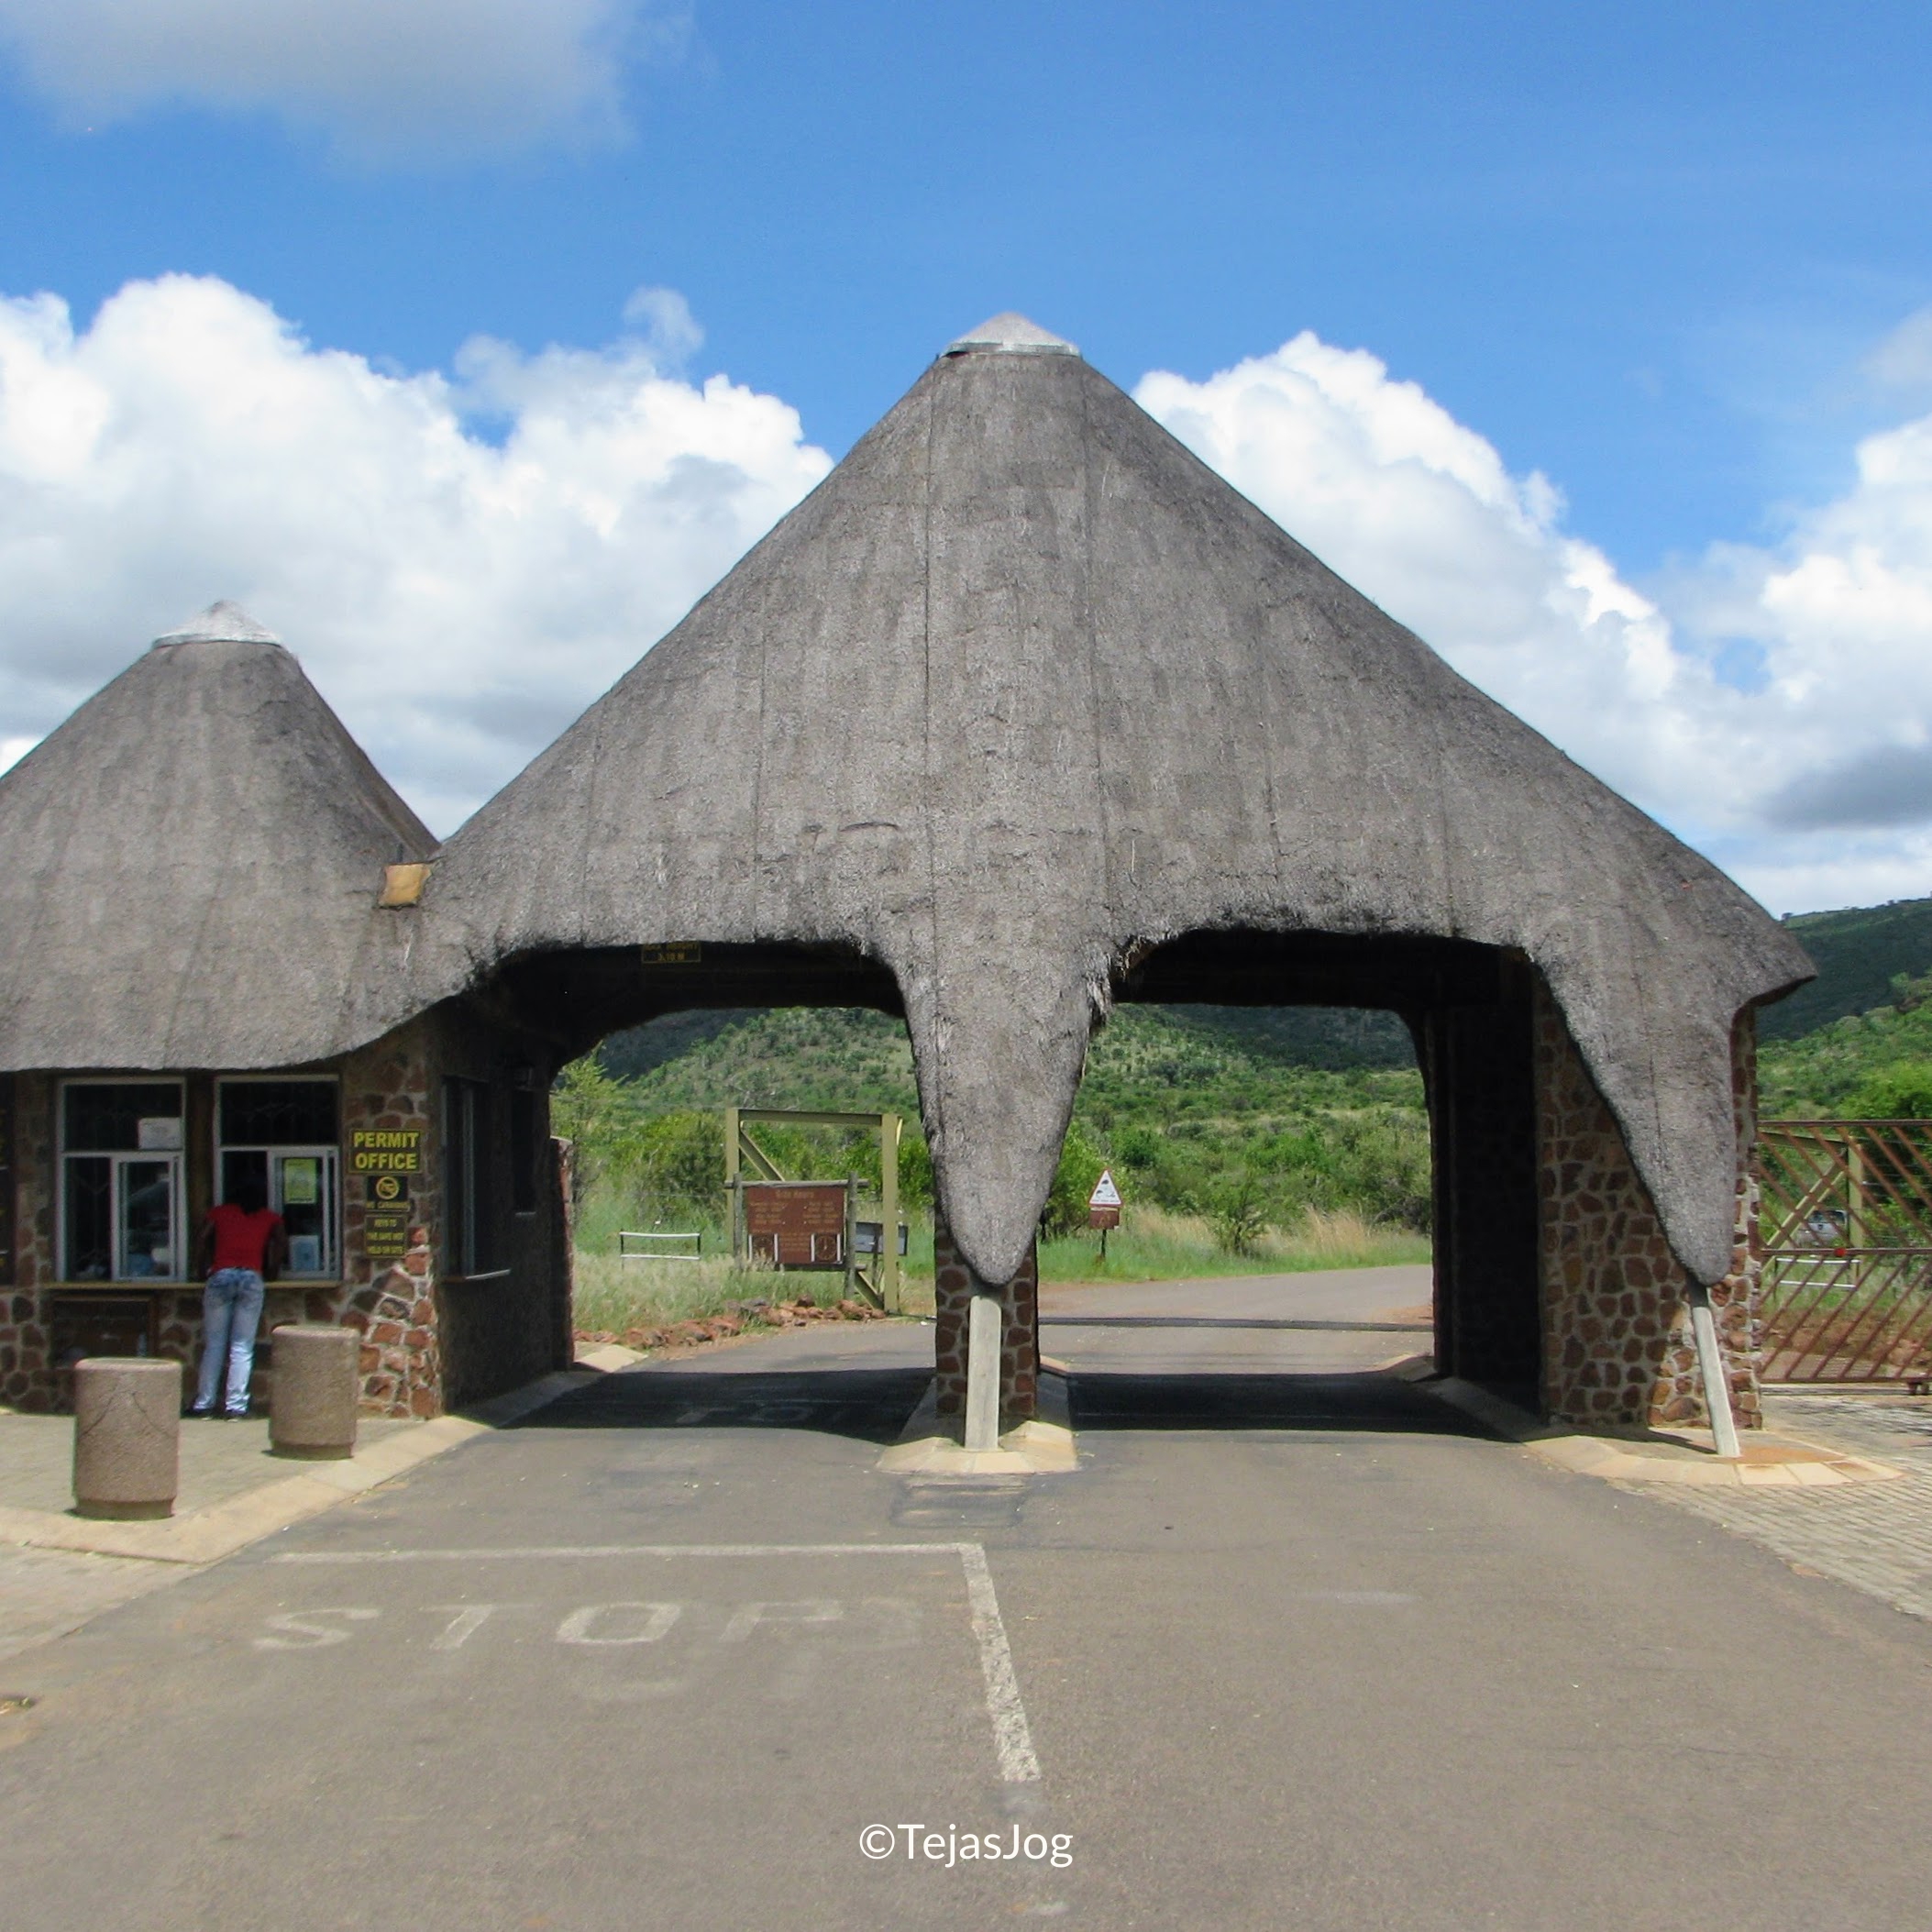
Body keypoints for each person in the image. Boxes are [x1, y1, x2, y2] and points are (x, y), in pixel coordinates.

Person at [189, 1177, 287, 1419]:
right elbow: (281, 1243)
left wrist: (201, 1270)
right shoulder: (269, 1217)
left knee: (214, 1344)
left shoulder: (220, 1213)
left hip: (221, 1275)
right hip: (251, 1277)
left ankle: (204, 1404)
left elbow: (202, 1239)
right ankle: (236, 1406)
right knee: (242, 1346)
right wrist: (272, 1271)